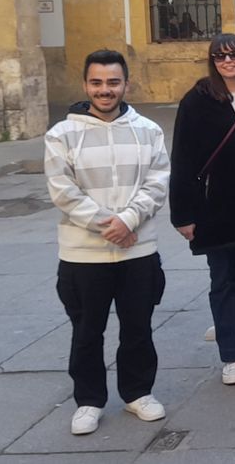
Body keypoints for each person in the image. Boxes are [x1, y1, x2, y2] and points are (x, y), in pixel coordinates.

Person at [44, 49, 170, 436]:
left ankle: (138, 393)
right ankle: (88, 400)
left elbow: (158, 180)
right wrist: (108, 225)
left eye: (113, 82)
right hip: (84, 254)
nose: (105, 90)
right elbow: (62, 190)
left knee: (138, 327)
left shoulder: (148, 130)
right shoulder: (61, 134)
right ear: (86, 85)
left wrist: (129, 220)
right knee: (86, 331)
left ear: (125, 84)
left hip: (137, 250)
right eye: (97, 82)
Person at [169, 34, 235, 387]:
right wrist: (182, 214)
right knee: (222, 282)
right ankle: (230, 355)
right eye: (219, 57)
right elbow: (182, 159)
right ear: (212, 62)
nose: (227, 61)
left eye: (233, 55)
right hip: (215, 209)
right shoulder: (197, 101)